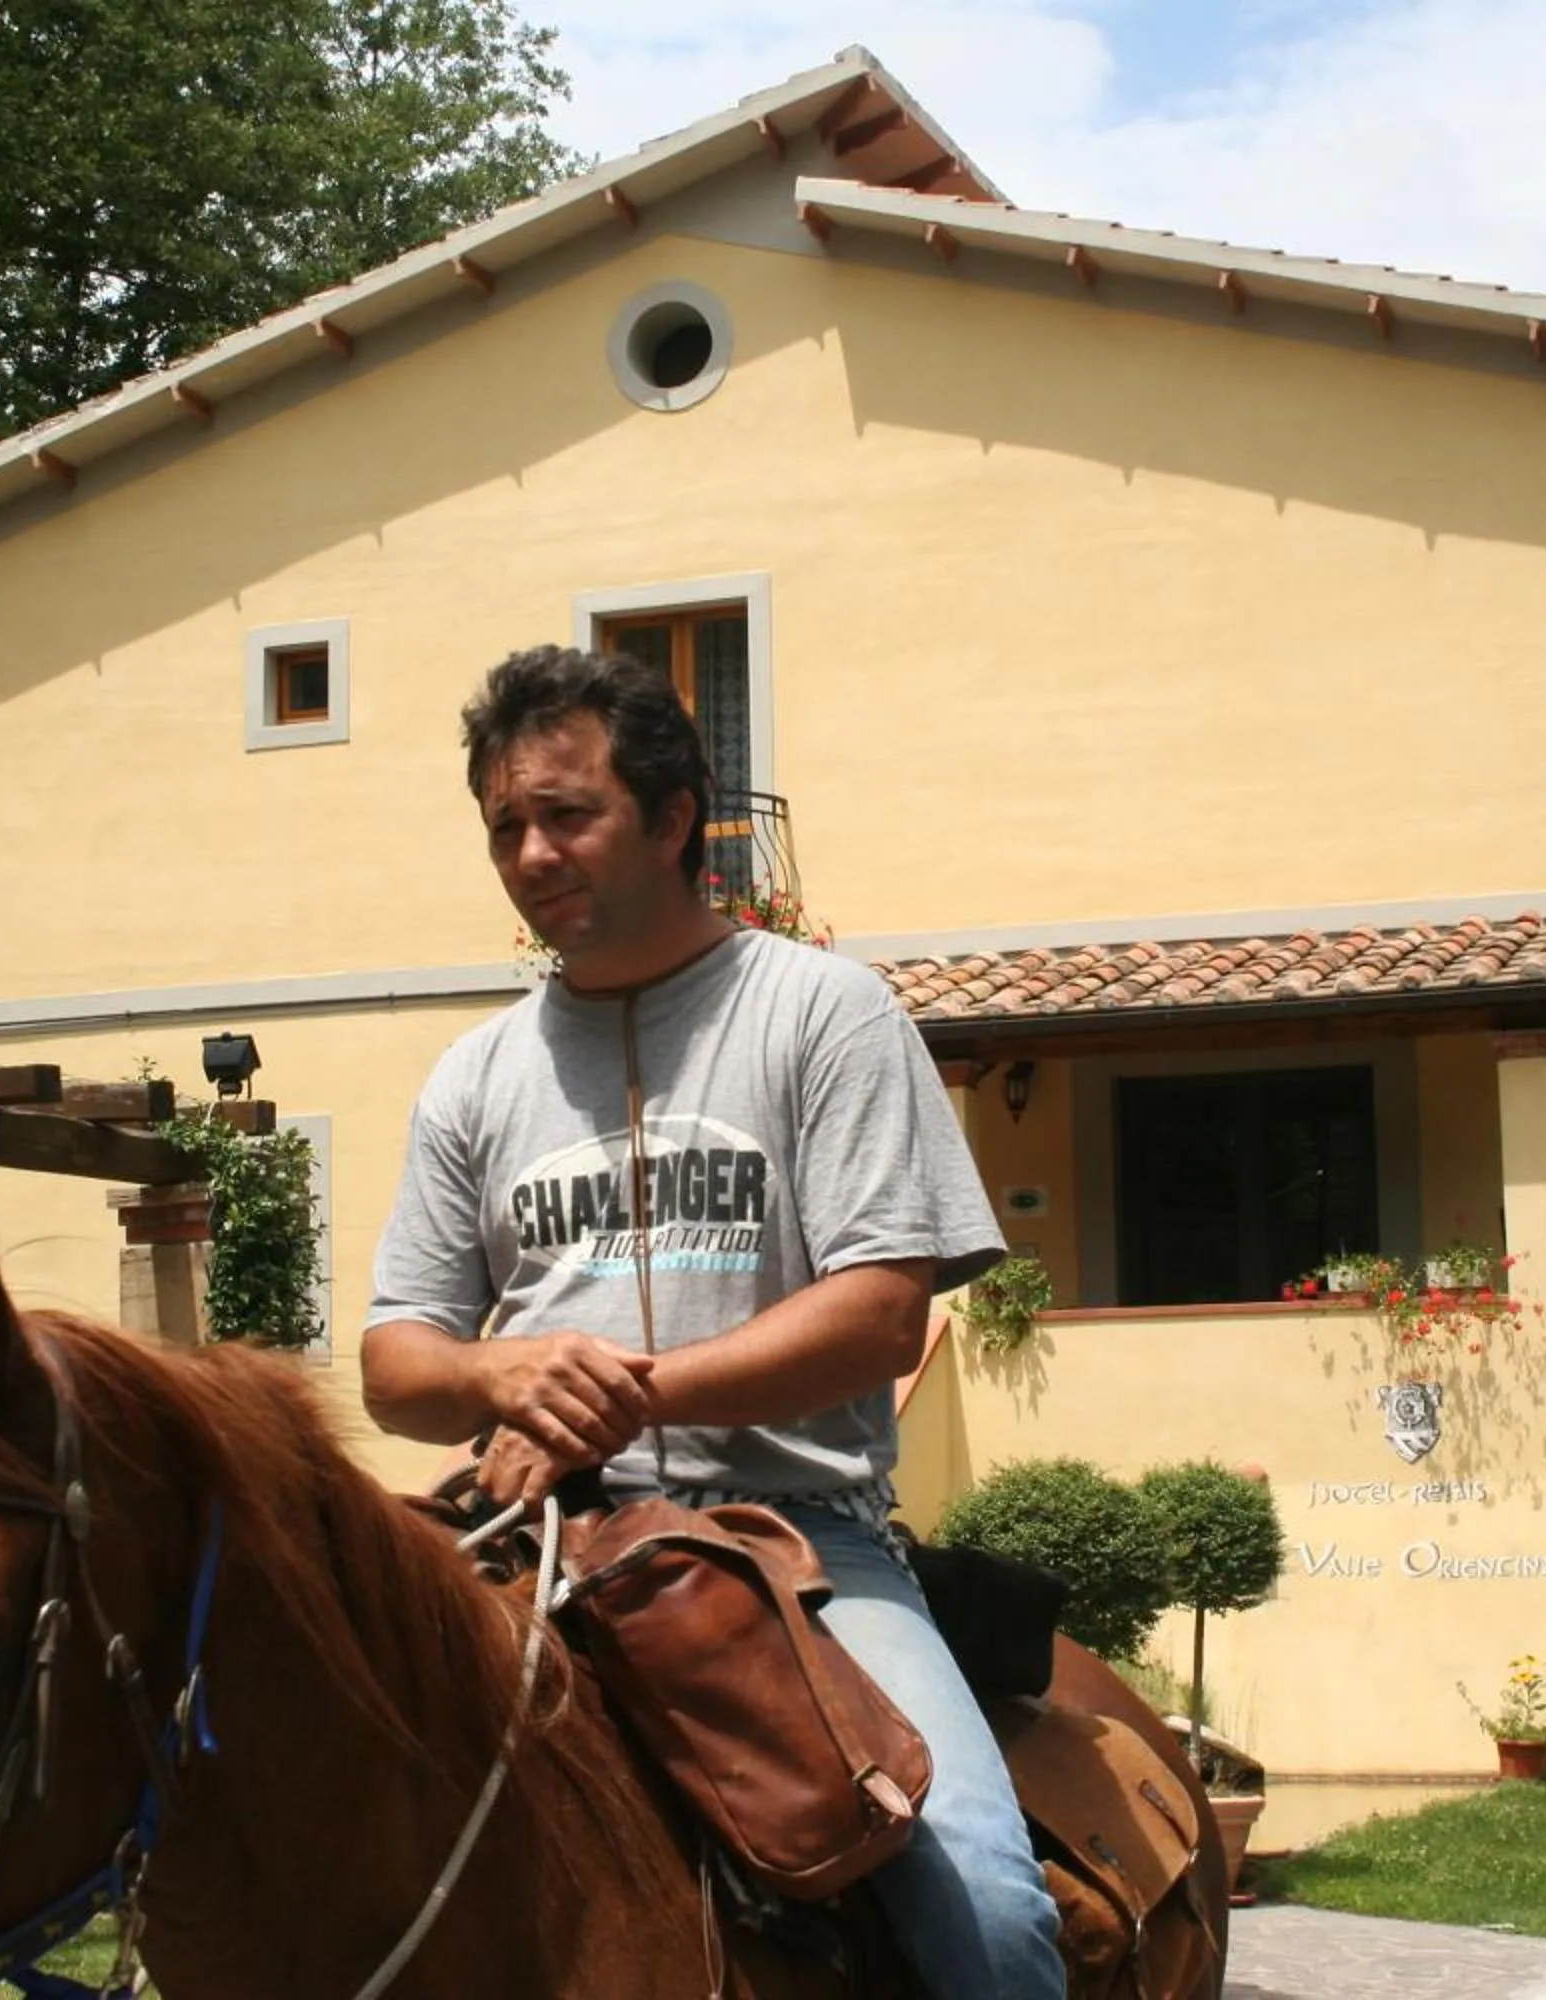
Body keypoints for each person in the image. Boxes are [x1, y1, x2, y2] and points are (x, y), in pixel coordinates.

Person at [360, 645, 1064, 1999]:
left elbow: (877, 1312)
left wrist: (634, 1392)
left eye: (568, 813)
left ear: (676, 818)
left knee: (986, 1912)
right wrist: (499, 1373)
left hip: (797, 1549)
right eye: (506, 825)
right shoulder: (472, 1077)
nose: (531, 851)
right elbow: (400, 1365)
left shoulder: (822, 1011)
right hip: (526, 1537)